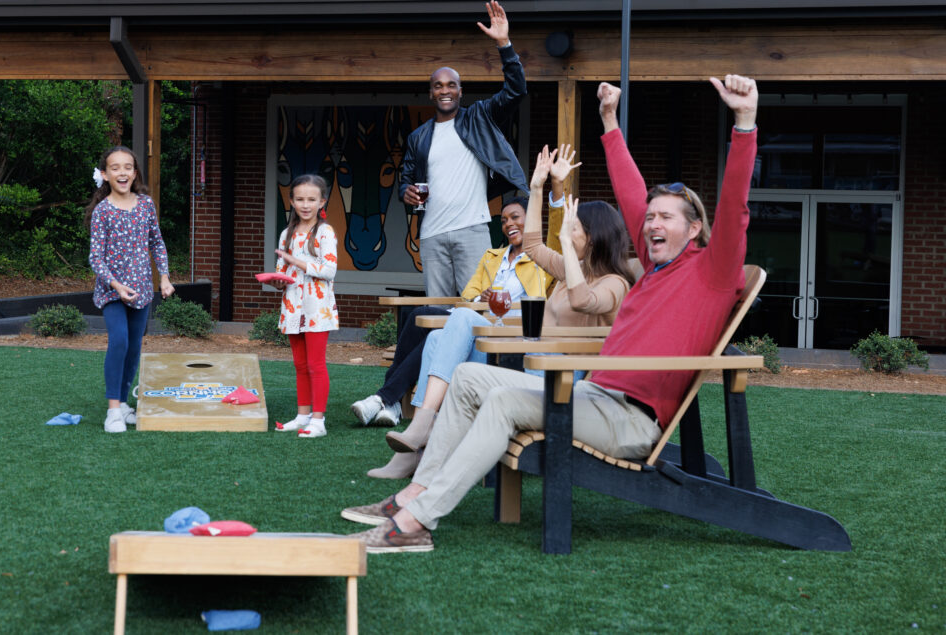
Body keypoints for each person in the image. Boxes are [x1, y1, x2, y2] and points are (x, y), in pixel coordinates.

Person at [340, 73, 760, 553]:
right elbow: (630, 192)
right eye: (650, 217)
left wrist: (744, 122)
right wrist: (607, 120)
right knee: (470, 378)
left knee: (500, 402)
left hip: (628, 418)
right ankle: (413, 495)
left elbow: (735, 208)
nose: (651, 223)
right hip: (594, 395)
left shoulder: (711, 273)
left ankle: (415, 522)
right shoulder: (652, 268)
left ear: (697, 229)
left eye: (666, 217)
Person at [369, 144, 637, 481]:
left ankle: (424, 431)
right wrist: (537, 187)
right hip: (524, 362)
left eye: (574, 228)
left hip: (556, 381)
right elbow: (534, 246)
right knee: (438, 338)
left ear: (594, 238)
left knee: (465, 318)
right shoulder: (571, 272)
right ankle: (421, 434)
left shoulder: (614, 283)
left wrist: (565, 245)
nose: (567, 233)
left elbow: (585, 301)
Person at [352, 196, 551, 478]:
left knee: (451, 318)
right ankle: (414, 444)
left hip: (511, 340)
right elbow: (468, 294)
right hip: (480, 327)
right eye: (504, 220)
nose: (509, 224)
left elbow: (537, 301)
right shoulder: (493, 257)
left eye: (516, 217)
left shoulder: (542, 259)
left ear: (531, 220)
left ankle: (402, 410)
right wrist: (481, 297)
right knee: (436, 333)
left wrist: (543, 188)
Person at [400, 0, 528, 297]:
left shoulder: (478, 117)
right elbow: (405, 180)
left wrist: (504, 44)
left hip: (472, 230)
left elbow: (516, 90)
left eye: (451, 85)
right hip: (431, 234)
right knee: (439, 311)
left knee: (478, 307)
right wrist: (404, 191)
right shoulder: (418, 137)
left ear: (461, 90)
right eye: (438, 86)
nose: (445, 90)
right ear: (431, 93)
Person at [87, 146, 175, 433]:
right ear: (105, 174)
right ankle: (113, 410)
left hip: (142, 291)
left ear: (135, 173)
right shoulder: (102, 212)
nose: (122, 172)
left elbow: (156, 242)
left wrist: (164, 277)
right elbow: (95, 258)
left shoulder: (146, 205)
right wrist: (114, 283)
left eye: (128, 167)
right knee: (120, 341)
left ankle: (124, 404)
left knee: (134, 348)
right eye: (115, 167)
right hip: (112, 291)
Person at [269, 175, 339, 438]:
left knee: (315, 364)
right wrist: (277, 280)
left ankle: (318, 421)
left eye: (311, 199)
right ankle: (302, 416)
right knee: (299, 364)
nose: (305, 204)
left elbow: (329, 270)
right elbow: (282, 271)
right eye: (299, 199)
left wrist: (294, 261)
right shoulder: (286, 233)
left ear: (322, 201)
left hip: (317, 307)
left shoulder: (324, 231)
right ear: (291, 201)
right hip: (292, 306)